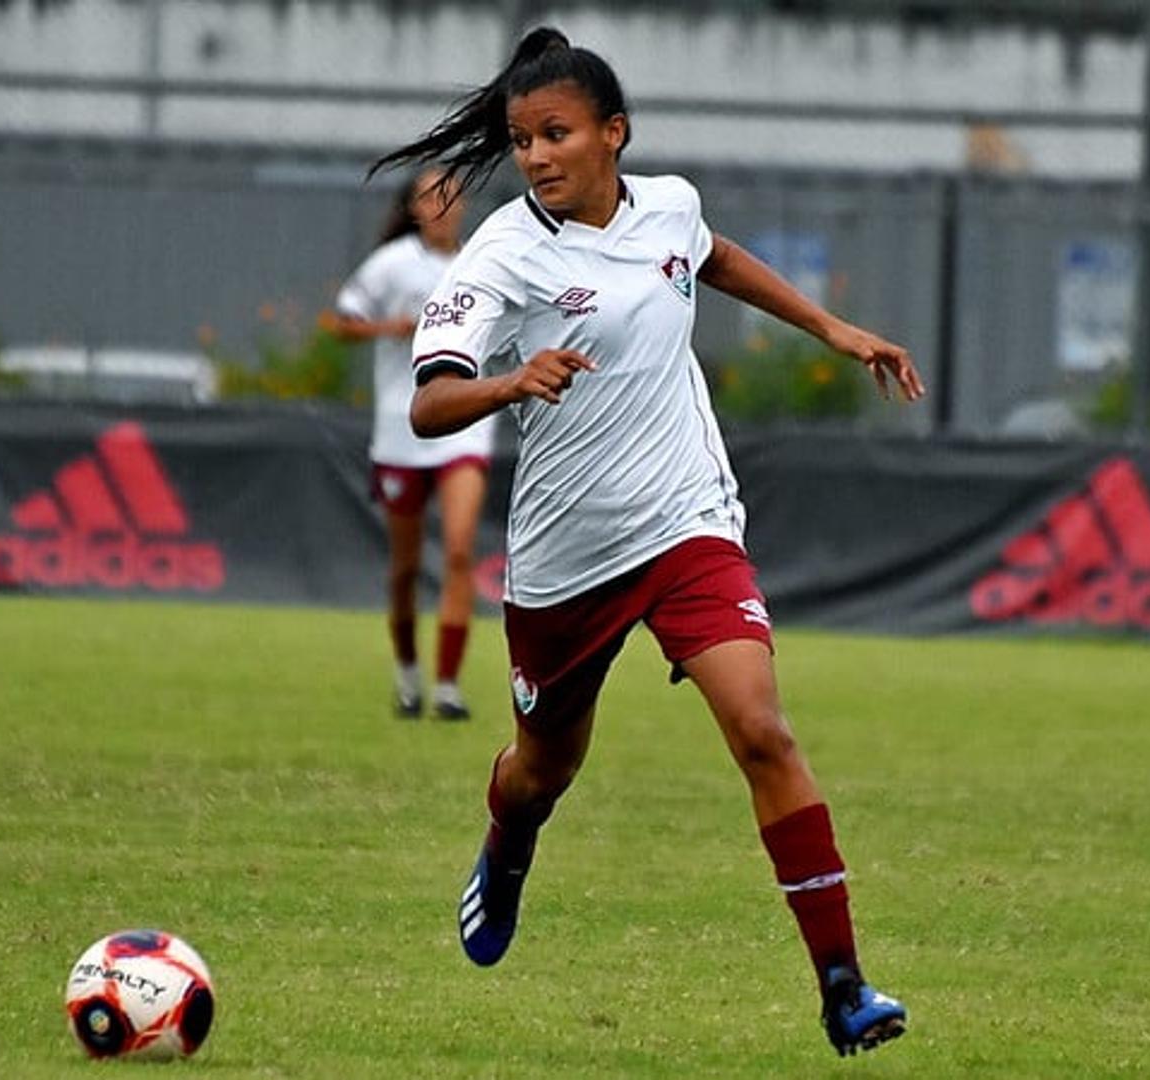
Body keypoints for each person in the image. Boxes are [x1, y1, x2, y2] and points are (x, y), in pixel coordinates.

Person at [371, 27, 928, 1058]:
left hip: (686, 525)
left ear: (612, 134)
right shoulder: (502, 252)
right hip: (564, 559)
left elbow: (711, 257)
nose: (535, 155)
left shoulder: (668, 205)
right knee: (543, 769)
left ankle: (843, 985)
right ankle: (507, 849)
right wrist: (511, 379)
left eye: (555, 132)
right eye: (521, 139)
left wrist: (835, 329)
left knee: (762, 729)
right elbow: (431, 405)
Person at [329, 168, 494, 721]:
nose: (444, 206)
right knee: (403, 570)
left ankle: (447, 685)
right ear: (414, 207)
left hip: (463, 428)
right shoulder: (393, 262)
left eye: (452, 195)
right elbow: (340, 320)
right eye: (431, 196)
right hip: (401, 431)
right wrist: (392, 328)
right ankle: (407, 675)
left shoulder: (481, 263)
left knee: (458, 551)